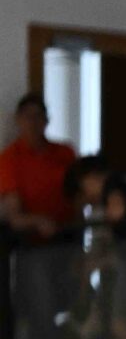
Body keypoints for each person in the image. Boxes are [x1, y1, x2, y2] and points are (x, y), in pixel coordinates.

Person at [0, 92, 74, 244]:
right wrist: (37, 221)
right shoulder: (9, 159)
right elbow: (14, 215)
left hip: (69, 235)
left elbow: (79, 195)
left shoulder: (65, 153)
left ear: (47, 120)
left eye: (39, 116)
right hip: (30, 243)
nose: (33, 123)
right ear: (18, 120)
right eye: (28, 117)